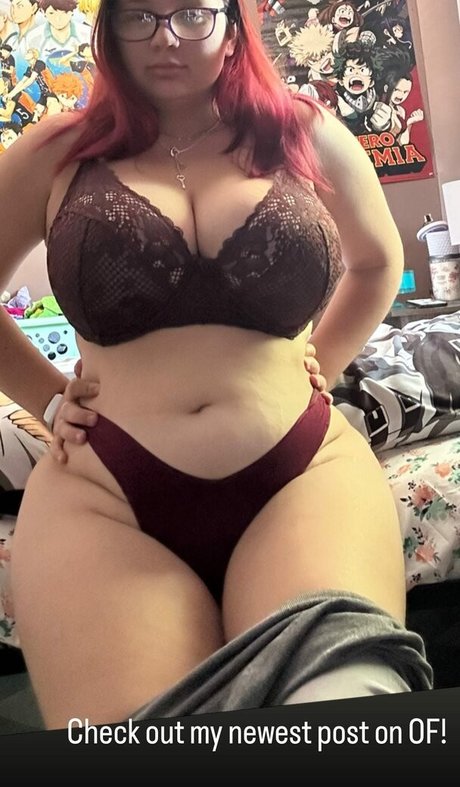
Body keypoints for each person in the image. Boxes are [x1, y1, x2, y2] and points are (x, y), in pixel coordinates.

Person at [1, 0, 431, 729]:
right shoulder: (55, 152)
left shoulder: (302, 130)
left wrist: (323, 359)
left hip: (301, 473)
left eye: (192, 14)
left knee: (343, 702)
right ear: (110, 29)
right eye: (141, 16)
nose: (166, 37)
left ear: (232, 27)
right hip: (106, 496)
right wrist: (45, 399)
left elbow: (378, 261)